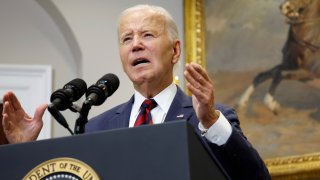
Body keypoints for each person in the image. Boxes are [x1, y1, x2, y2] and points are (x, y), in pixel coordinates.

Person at [1, 4, 270, 179]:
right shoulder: (96, 127)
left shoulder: (213, 117)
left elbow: (255, 178)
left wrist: (210, 122)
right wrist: (24, 153)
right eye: (127, 39)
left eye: (148, 35)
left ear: (175, 50)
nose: (136, 45)